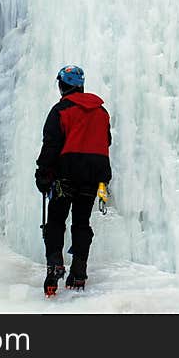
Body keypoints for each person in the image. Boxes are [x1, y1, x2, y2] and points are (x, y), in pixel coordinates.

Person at [35, 65, 112, 296]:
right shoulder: (102, 112)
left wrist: (43, 173)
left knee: (56, 220)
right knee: (81, 222)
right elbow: (105, 141)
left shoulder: (61, 110)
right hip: (94, 176)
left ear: (62, 85)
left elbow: (51, 145)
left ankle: (55, 264)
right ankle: (79, 271)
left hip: (65, 174)